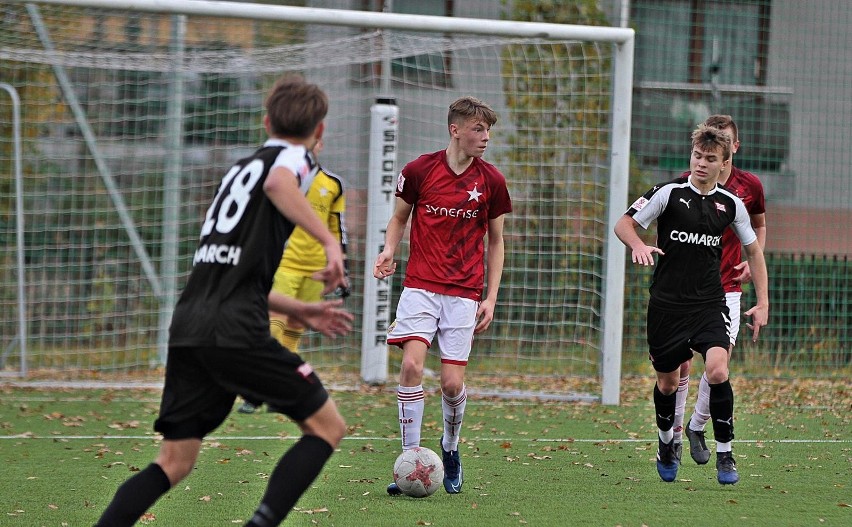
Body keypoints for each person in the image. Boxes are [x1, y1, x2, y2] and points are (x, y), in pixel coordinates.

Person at [94, 74, 353, 527]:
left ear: (266, 119)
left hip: (191, 322)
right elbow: (279, 182)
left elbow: (234, 275)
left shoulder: (238, 170)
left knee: (174, 461)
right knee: (328, 428)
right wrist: (330, 244)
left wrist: (299, 309)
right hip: (234, 330)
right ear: (320, 132)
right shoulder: (293, 159)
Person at [614, 124, 768, 485]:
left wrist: (763, 302)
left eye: (710, 159)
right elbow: (624, 224)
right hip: (667, 306)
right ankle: (667, 443)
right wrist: (637, 244)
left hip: (708, 303)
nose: (701, 163)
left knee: (717, 369)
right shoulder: (668, 193)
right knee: (668, 384)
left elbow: (754, 251)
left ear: (724, 163)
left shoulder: (731, 205)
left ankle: (726, 454)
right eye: (697, 156)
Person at [373, 96, 512, 495]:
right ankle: (410, 461)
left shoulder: (492, 181)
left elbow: (497, 242)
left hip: (464, 293)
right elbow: (399, 218)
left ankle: (449, 449)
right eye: (478, 130)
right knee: (412, 368)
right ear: (455, 130)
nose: (485, 137)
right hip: (420, 286)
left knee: (451, 385)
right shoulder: (418, 170)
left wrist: (491, 297)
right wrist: (388, 250)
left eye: (488, 131)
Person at [672, 115, 767, 464]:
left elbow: (757, 231)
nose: (712, 154)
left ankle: (697, 426)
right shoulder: (684, 185)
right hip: (683, 293)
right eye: (705, 150)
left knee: (718, 366)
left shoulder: (748, 188)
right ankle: (675, 437)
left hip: (726, 288)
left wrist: (751, 264)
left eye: (723, 144)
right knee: (680, 364)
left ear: (732, 149)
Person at [239, 138, 349, 414]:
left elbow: (337, 228)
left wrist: (340, 265)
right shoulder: (282, 181)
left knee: (296, 327)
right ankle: (255, 388)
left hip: (317, 267)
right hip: (285, 262)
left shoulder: (332, 184)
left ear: (321, 144)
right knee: (272, 324)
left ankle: (278, 390)